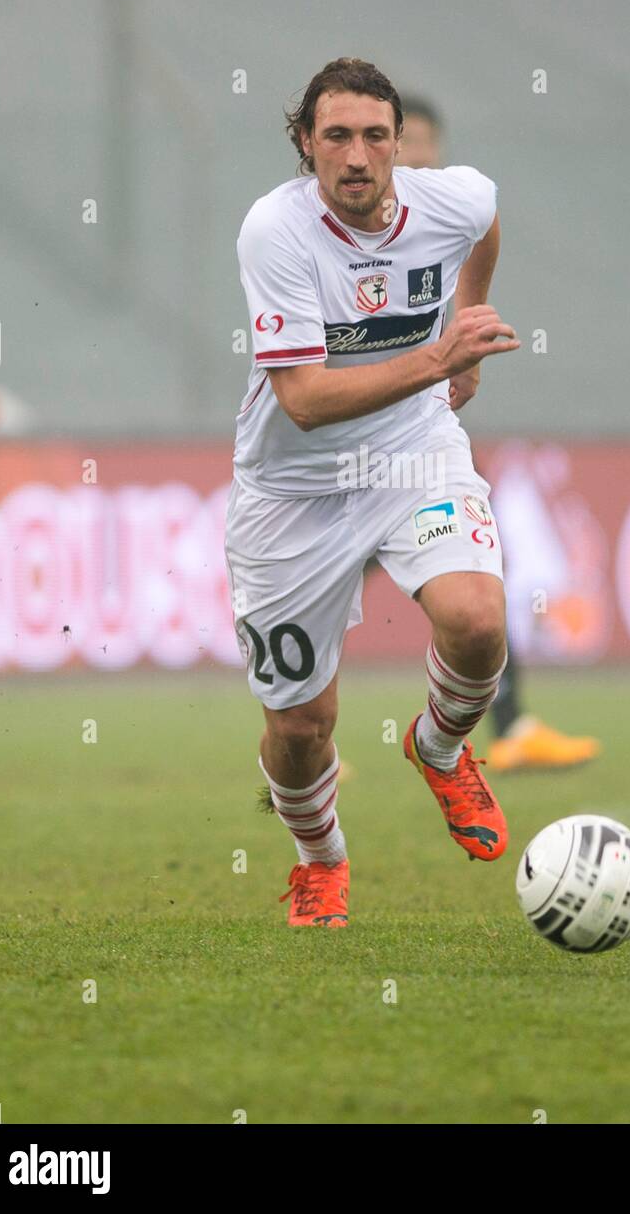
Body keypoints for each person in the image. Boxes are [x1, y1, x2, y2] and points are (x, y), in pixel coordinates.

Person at [226, 57, 519, 926]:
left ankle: (439, 747)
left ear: (399, 145)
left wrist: (468, 310)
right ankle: (321, 859)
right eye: (336, 137)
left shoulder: (450, 200)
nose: (356, 156)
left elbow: (486, 223)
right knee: (301, 725)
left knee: (476, 619)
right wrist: (442, 356)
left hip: (411, 452)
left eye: (374, 136)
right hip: (293, 489)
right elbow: (304, 402)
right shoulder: (274, 232)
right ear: (305, 146)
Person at [397, 96, 600, 773]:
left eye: (427, 142)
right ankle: (307, 738)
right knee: (327, 588)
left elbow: (483, 232)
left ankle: (506, 726)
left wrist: (469, 343)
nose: (417, 155)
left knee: (481, 578)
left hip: (425, 437)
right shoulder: (339, 230)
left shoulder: (447, 217)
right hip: (345, 452)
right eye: (405, 141)